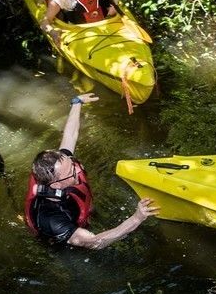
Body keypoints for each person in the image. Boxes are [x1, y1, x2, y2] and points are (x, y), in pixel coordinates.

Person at [25, 92, 159, 249]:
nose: (77, 168)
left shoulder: (61, 166)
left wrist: (77, 102)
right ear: (55, 185)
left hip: (78, 208)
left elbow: (70, 135)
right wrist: (137, 218)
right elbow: (95, 242)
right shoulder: (51, 218)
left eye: (72, 164)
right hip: (64, 240)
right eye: (71, 171)